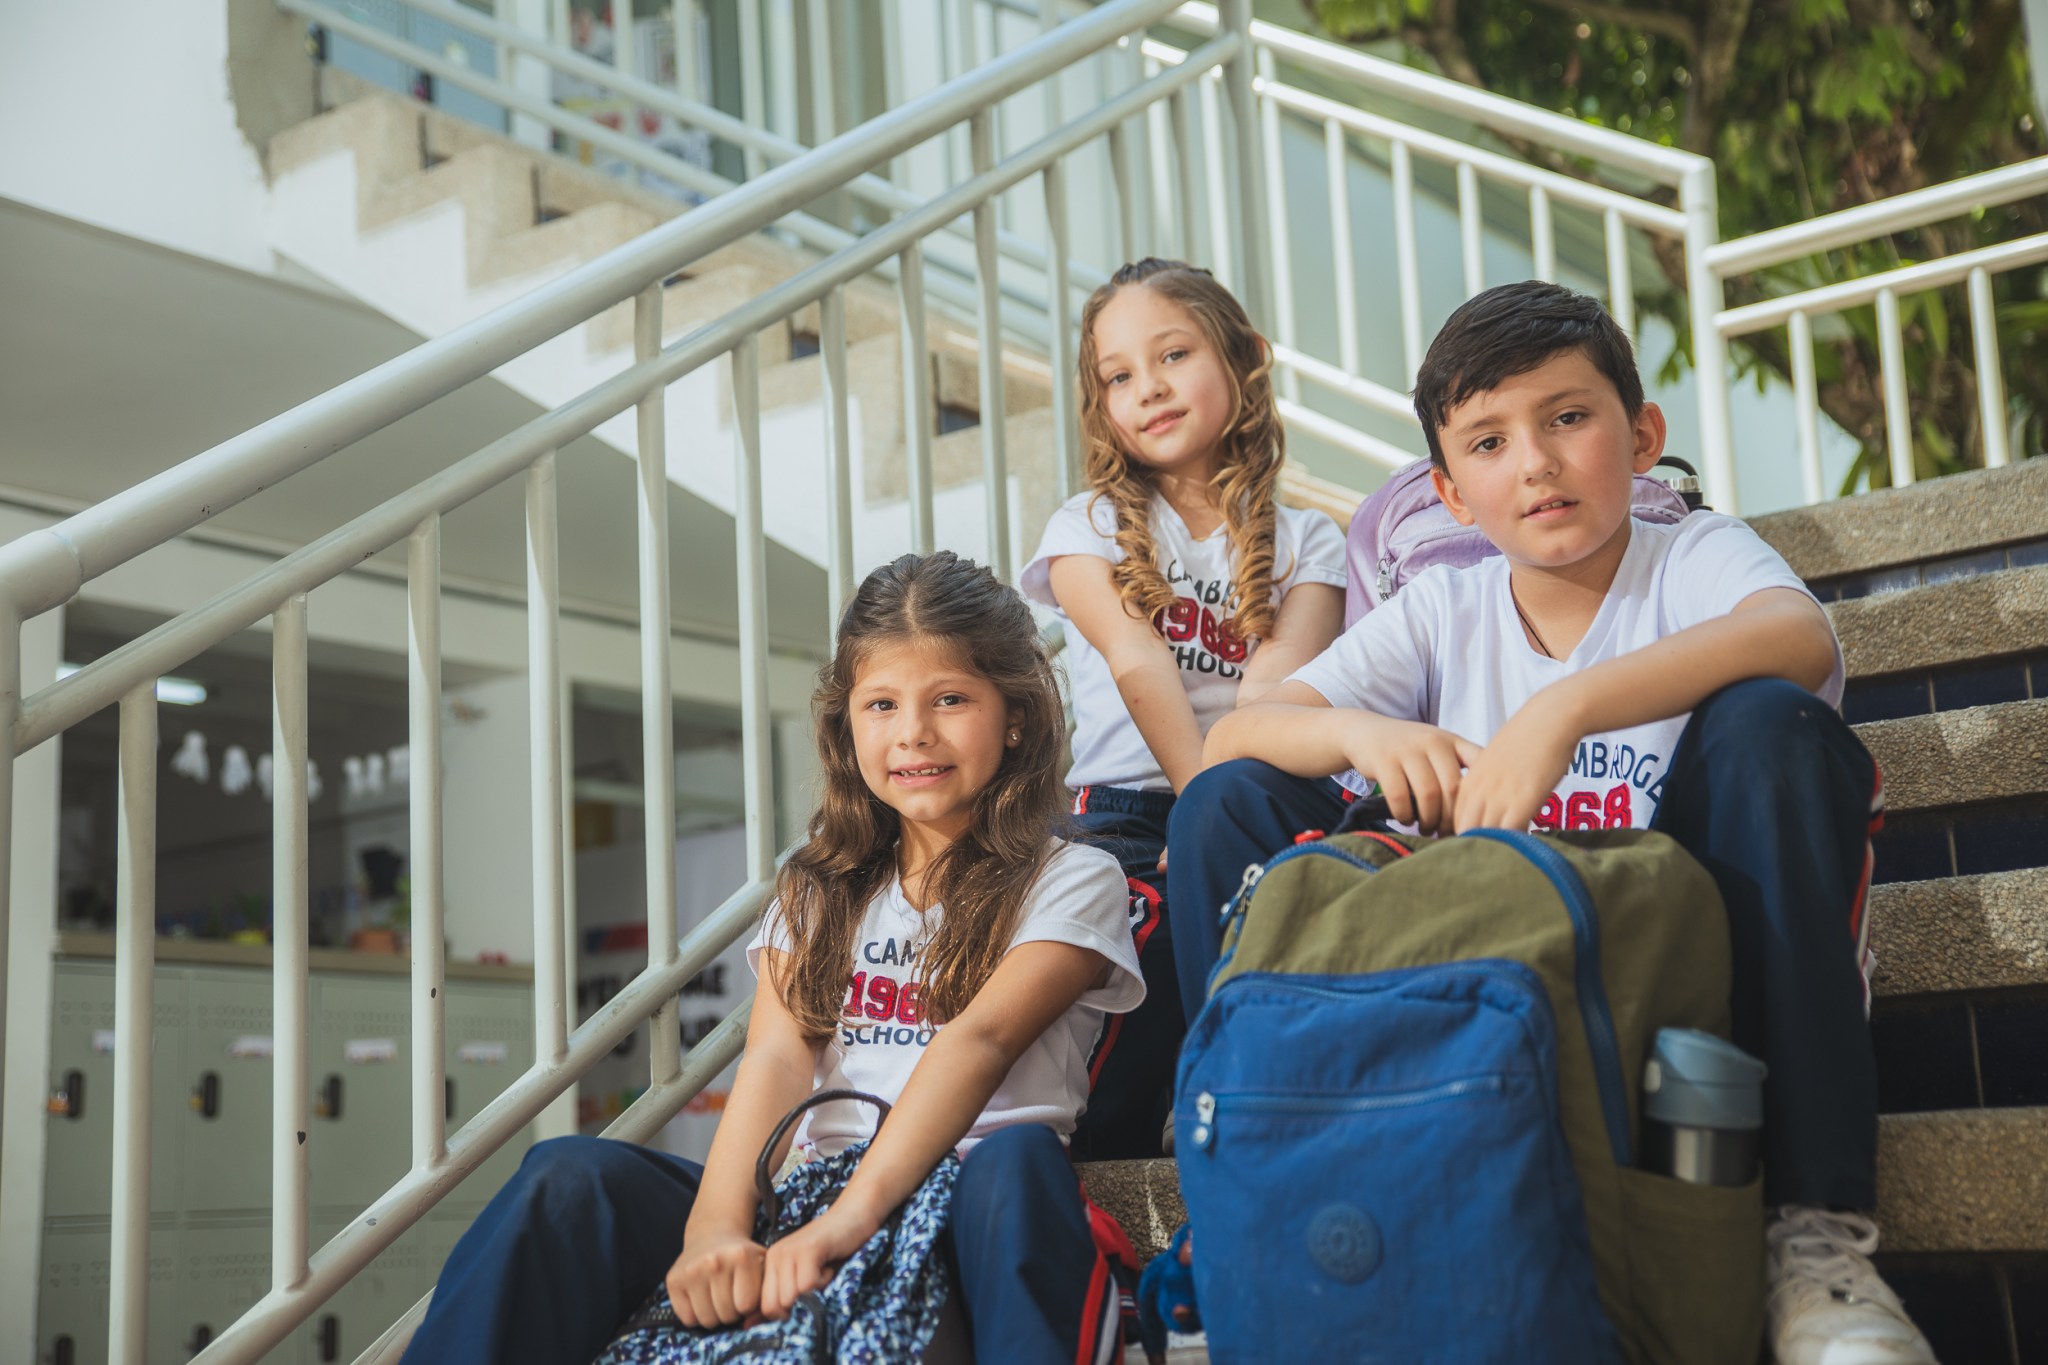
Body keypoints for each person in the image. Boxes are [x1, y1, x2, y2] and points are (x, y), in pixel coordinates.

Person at [1181, 281, 1934, 1365]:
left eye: (1566, 418)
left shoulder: (1690, 559)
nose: (1531, 461)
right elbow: (1231, 741)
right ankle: (1252, 1191)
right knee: (1230, 801)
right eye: (1487, 441)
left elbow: (1797, 636)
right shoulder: (1443, 608)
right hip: (1494, 993)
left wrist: (1563, 706)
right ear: (1446, 493)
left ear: (1640, 437)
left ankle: (1809, 1244)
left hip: (1686, 996)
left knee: (1771, 727)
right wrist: (1362, 734)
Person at [402, 551, 1144, 1365]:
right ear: (846, 724)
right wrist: (716, 1228)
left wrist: (849, 1222)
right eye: (882, 703)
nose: (913, 732)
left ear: (1017, 717)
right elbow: (778, 1055)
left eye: (952, 699)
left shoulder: (1075, 878)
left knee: (1020, 1161)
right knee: (568, 1177)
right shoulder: (820, 887)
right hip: (808, 1197)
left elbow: (980, 1041)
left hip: (967, 1201)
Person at [1019, 259, 1347, 1152]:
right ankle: (1137, 1135)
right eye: (1119, 376)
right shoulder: (1088, 526)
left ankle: (1246, 1096)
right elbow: (1137, 663)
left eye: (1173, 354)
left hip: (1248, 801)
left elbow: (1275, 694)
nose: (1148, 388)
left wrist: (1212, 817)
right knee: (1136, 937)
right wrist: (1199, 803)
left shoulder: (1312, 540)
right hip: (1126, 813)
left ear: (1245, 359)